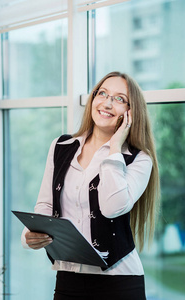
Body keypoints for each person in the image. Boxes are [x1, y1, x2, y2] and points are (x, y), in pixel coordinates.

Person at [21, 71, 160, 300]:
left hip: (119, 283)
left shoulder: (139, 159)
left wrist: (115, 147)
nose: (107, 102)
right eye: (102, 93)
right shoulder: (61, 146)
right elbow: (46, 204)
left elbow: (112, 207)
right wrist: (31, 235)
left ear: (131, 113)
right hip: (68, 279)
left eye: (119, 99)